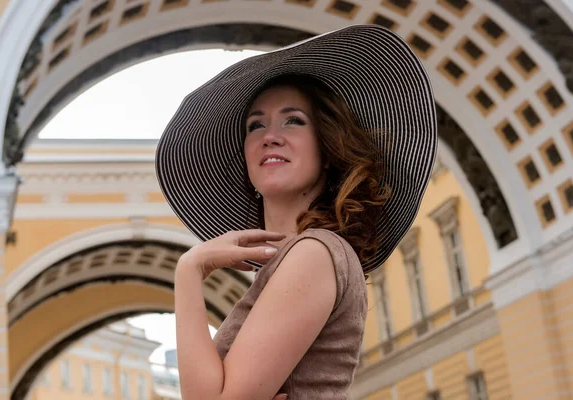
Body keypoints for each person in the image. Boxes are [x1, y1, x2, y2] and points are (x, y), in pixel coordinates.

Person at [155, 24, 437, 399]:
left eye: (293, 120)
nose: (270, 135)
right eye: (256, 125)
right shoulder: (297, 260)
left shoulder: (315, 253)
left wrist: (189, 271)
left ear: (327, 151)